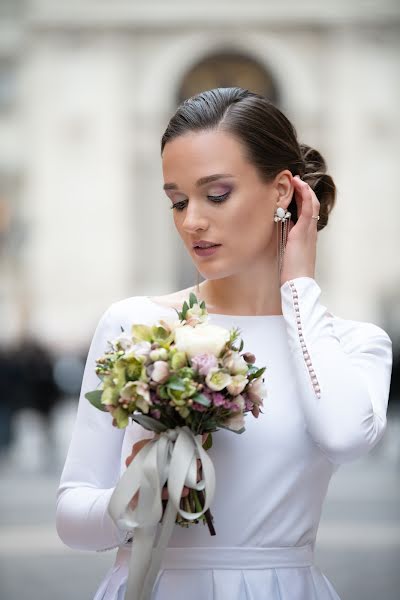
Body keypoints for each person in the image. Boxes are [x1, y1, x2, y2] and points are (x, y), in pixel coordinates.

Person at [55, 87, 393, 600]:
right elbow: (70, 517)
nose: (192, 221)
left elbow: (345, 437)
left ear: (282, 191)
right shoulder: (134, 323)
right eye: (177, 201)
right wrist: (137, 502)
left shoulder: (354, 343)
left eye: (216, 195)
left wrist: (298, 288)